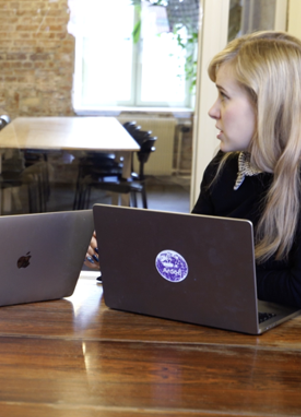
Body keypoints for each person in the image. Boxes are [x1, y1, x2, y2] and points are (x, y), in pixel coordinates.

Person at [86, 31, 301, 307]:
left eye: (224, 96)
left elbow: (296, 289)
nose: (213, 110)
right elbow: (191, 252)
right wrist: (122, 257)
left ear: (268, 105)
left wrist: (208, 272)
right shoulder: (223, 167)